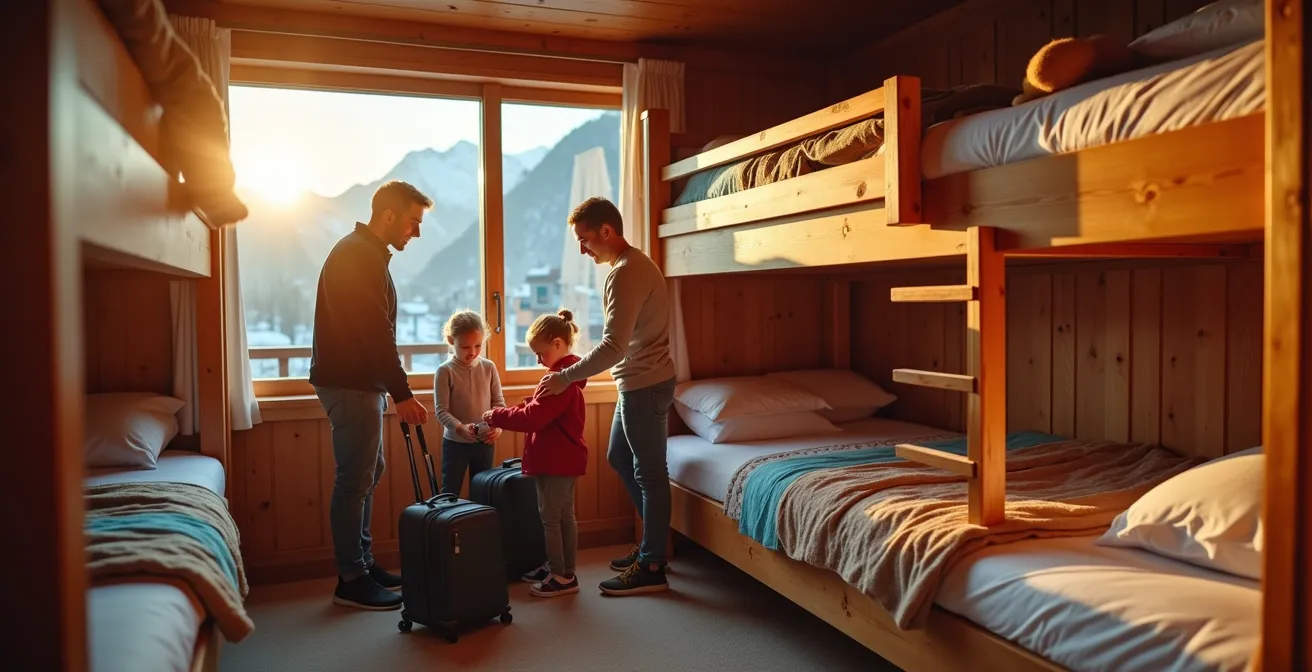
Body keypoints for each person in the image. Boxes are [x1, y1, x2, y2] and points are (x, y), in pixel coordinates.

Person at [540, 197, 676, 596]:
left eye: (585, 240)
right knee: (619, 456)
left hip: (643, 383)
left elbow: (614, 346)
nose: (583, 249)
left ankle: (653, 563)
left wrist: (565, 377)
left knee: (650, 473)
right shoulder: (627, 266)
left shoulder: (627, 272)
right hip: (636, 382)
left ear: (606, 231)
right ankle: (653, 542)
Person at [309, 179, 432, 611]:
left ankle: (362, 562)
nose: (415, 233)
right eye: (414, 223)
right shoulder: (360, 255)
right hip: (350, 382)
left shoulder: (366, 253)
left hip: (358, 382)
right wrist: (402, 394)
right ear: (389, 215)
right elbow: (375, 332)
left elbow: (376, 331)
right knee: (354, 480)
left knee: (367, 472)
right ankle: (352, 577)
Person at [482, 310, 589, 598]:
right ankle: (563, 568)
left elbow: (533, 419)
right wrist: (527, 405)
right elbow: (540, 412)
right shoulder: (567, 377)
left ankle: (560, 575)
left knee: (551, 519)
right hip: (563, 458)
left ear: (557, 343)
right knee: (564, 517)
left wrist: (496, 415)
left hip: (555, 460)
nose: (538, 360)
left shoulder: (558, 380)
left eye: (540, 353)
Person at [434, 310, 505, 495]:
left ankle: (480, 525)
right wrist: (460, 428)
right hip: (455, 444)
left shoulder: (489, 367)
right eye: (465, 347)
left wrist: (497, 427)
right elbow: (441, 411)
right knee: (450, 492)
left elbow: (498, 403)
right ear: (451, 341)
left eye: (478, 346)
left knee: (482, 491)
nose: (472, 352)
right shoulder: (445, 371)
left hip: (485, 442)